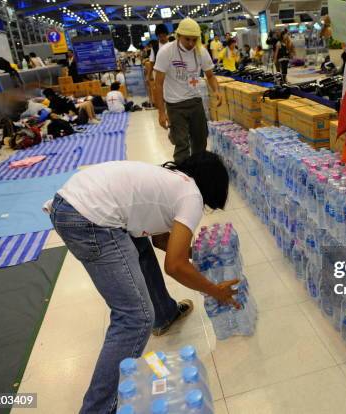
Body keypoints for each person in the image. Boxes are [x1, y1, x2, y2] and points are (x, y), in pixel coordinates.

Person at [45, 152, 239, 414]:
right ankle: (97, 409)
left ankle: (165, 314)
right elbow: (175, 266)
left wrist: (199, 254)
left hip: (68, 203)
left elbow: (161, 241)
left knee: (141, 248)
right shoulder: (191, 196)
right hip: (90, 219)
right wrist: (215, 291)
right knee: (134, 318)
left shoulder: (170, 180)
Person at [153, 17, 223, 163]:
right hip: (175, 104)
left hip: (195, 101)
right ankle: (183, 177)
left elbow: (210, 75)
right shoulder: (166, 52)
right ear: (178, 36)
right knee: (182, 144)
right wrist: (161, 112)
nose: (191, 43)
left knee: (201, 140)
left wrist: (216, 90)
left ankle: (198, 174)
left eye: (194, 39)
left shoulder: (201, 51)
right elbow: (158, 84)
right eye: (187, 39)